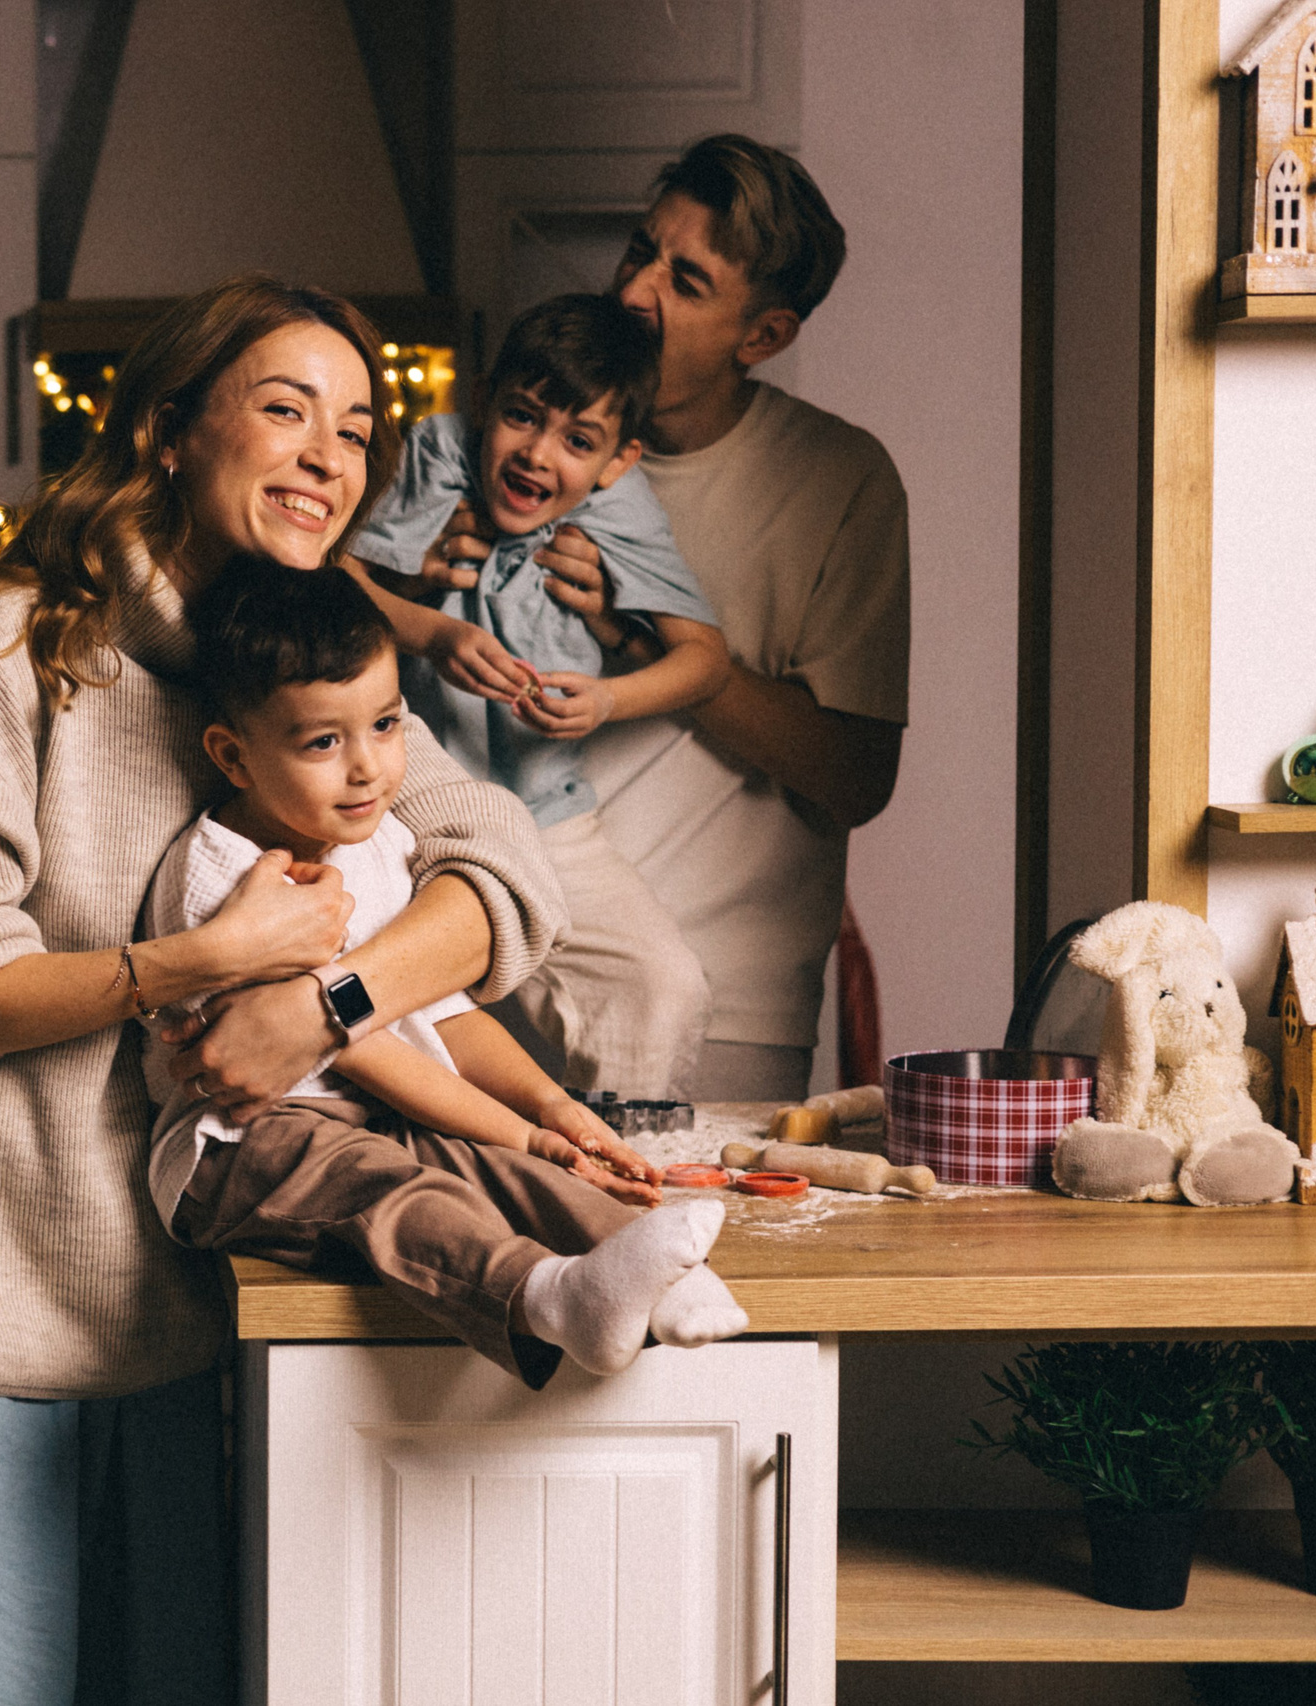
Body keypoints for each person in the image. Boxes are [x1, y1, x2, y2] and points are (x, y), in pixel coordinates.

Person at [0, 276, 576, 1705]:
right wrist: (206, 964)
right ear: (164, 432)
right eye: (285, 408)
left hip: (179, 1322)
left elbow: (498, 873)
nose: (331, 454)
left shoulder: (296, 670)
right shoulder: (4, 650)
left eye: (358, 426)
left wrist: (320, 1006)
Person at [143, 554, 747, 1385]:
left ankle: (657, 1274)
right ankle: (547, 1297)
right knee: (390, 1185)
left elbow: (445, 1016)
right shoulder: (229, 874)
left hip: (383, 1115)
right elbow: (359, 1046)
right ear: (234, 755)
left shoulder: (383, 840)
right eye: (324, 741)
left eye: (386, 725)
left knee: (510, 1169)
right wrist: (518, 1128)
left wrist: (550, 1109)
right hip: (247, 1147)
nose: (368, 768)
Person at [413, 135, 910, 1101]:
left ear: (762, 335)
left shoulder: (839, 480)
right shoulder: (512, 447)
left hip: (724, 1001)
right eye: (639, 252)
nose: (636, 291)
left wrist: (656, 652)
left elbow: (855, 775)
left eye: (686, 280)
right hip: (491, 958)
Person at [340, 294, 728, 1098]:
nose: (536, 456)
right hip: (408, 812)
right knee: (374, 1003)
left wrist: (605, 701)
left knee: (663, 983)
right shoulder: (440, 450)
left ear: (618, 461)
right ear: (483, 401)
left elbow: (705, 661)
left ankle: (625, 1182)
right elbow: (329, 580)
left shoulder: (618, 504)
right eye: (521, 417)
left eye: (578, 441)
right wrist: (431, 632)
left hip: (550, 816)